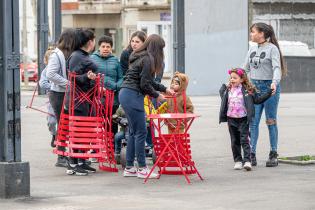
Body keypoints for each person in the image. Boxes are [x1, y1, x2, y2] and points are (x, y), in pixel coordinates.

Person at [119, 34, 174, 179]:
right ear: (156, 48)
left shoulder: (140, 56)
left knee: (132, 132)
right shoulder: (148, 59)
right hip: (133, 96)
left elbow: (147, 81)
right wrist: (158, 95)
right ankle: (142, 168)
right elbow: (145, 85)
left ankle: (130, 167)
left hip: (125, 94)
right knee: (141, 132)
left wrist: (163, 88)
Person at [243, 23, 287, 167]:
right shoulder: (252, 48)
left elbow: (276, 68)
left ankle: (273, 154)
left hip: (270, 89)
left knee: (270, 120)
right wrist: (235, 78)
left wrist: (274, 82)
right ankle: (251, 154)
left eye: (253, 32)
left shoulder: (272, 49)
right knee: (253, 122)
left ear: (261, 34)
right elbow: (245, 68)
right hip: (254, 88)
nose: (251, 34)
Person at [219, 68, 272, 171]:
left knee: (244, 140)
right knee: (235, 141)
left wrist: (269, 93)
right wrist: (225, 85)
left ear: (242, 79)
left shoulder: (247, 90)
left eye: (235, 78)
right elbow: (221, 93)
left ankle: (247, 161)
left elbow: (257, 100)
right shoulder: (228, 90)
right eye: (231, 78)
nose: (232, 80)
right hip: (231, 119)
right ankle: (238, 161)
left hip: (243, 119)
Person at [65, 29, 98, 176]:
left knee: (84, 131)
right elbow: (73, 77)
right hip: (79, 99)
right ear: (90, 41)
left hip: (84, 99)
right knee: (78, 131)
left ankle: (81, 161)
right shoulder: (78, 56)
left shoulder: (81, 55)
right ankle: (73, 163)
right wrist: (87, 77)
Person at [46, 28, 77, 167]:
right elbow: (50, 74)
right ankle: (61, 156)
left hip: (62, 92)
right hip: (58, 93)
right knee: (63, 124)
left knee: (65, 124)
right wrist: (68, 84)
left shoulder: (65, 54)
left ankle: (64, 154)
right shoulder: (56, 54)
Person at [90, 35, 123, 136]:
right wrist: (97, 87)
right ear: (99, 47)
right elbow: (89, 76)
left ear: (111, 48)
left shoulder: (116, 60)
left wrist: (116, 86)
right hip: (98, 96)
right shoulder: (92, 59)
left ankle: (111, 147)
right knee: (98, 122)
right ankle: (98, 148)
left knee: (112, 122)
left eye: (108, 47)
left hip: (113, 97)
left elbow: (122, 77)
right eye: (103, 46)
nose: (105, 49)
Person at [39, 46, 57, 148]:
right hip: (52, 99)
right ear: (46, 61)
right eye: (50, 60)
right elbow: (42, 83)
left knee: (62, 121)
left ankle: (59, 137)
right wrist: (54, 87)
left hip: (63, 98)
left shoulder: (61, 69)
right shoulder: (46, 71)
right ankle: (54, 135)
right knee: (51, 121)